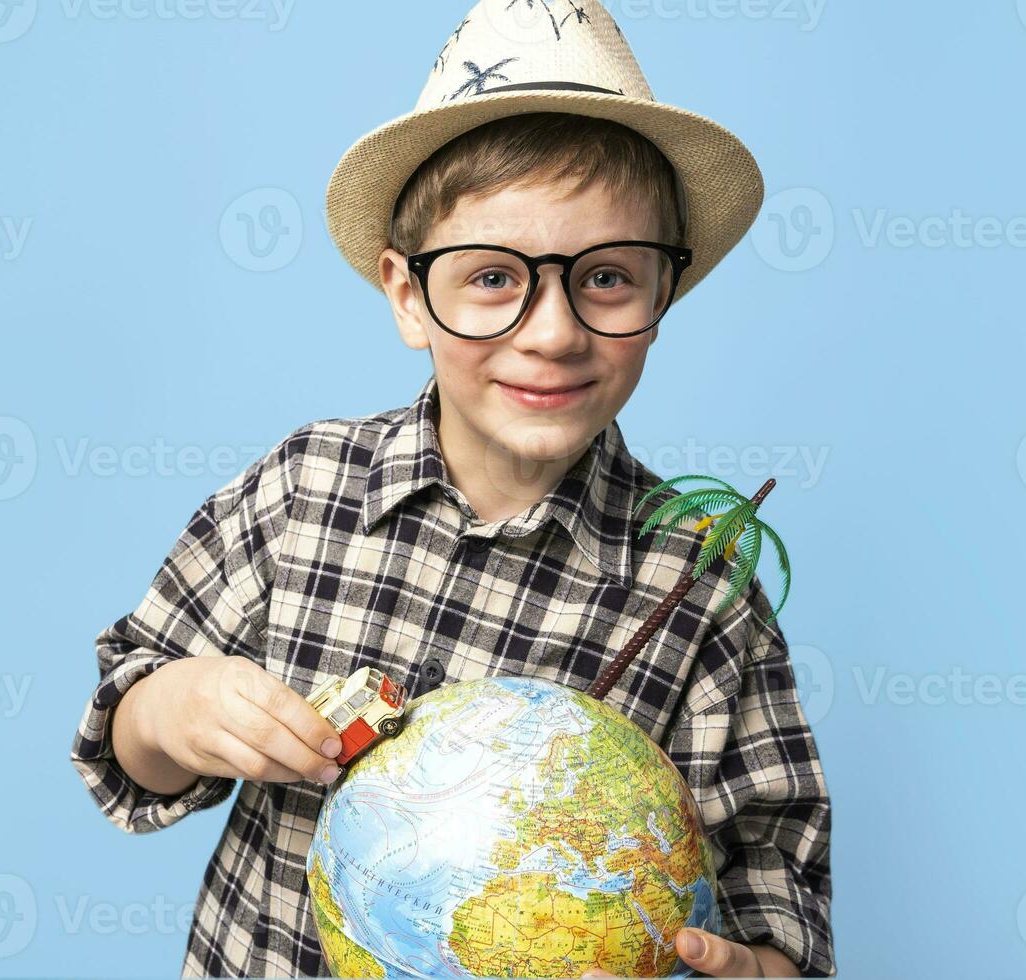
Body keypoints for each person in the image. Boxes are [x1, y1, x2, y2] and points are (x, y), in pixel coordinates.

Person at [71, 3, 833, 977]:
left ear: (662, 294)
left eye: (605, 277)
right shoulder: (305, 490)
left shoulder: (705, 595)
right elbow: (124, 740)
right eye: (490, 278)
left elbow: (780, 913)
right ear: (405, 294)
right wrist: (173, 709)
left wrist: (741, 968)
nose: (552, 331)